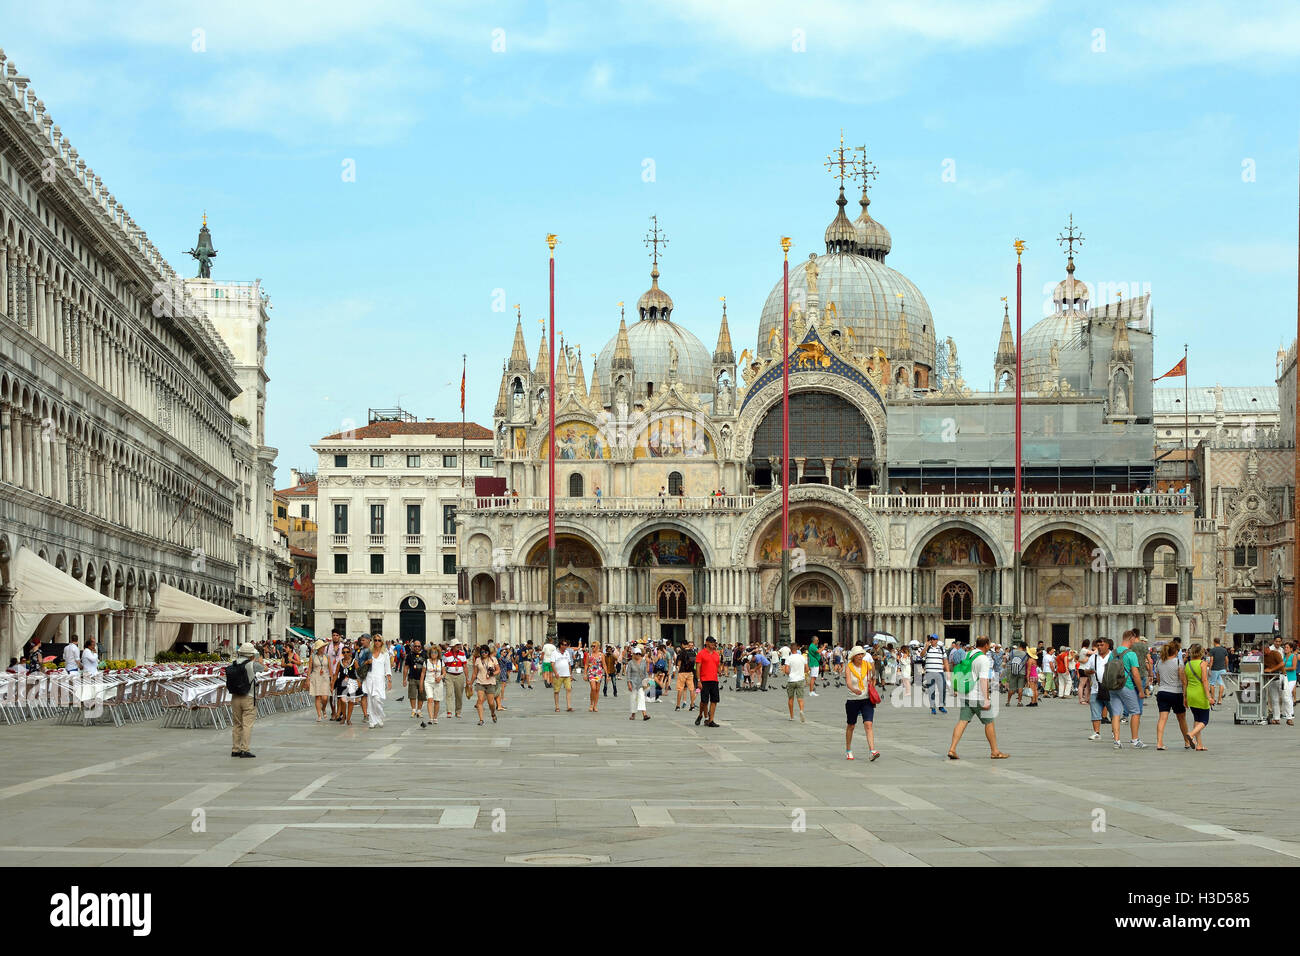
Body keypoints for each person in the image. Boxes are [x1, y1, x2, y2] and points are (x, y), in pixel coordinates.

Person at [948, 636, 1007, 760]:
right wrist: (986, 698)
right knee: (989, 722)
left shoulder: (968, 654)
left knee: (962, 721)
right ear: (986, 645)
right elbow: (984, 680)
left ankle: (952, 749)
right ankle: (995, 751)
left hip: (965, 693)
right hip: (977, 695)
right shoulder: (983, 659)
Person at [1109, 631, 1146, 749]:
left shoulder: (1113, 653)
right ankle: (1135, 740)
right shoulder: (1131, 654)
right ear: (1131, 639)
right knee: (1135, 712)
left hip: (1113, 685)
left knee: (1115, 713)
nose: (1135, 642)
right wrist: (1141, 690)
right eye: (1135, 640)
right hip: (1126, 685)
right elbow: (1135, 674)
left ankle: (1117, 741)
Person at [1153, 642, 1194, 750]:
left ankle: (1159, 743)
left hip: (1162, 692)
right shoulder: (1178, 663)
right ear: (1176, 651)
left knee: (1162, 718)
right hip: (1176, 693)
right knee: (1181, 719)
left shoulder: (1158, 662)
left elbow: (1158, 679)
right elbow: (1183, 680)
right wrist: (1185, 696)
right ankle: (1187, 742)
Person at [229, 642, 265, 758]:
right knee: (247, 724)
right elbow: (262, 668)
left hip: (235, 696)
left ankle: (235, 749)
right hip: (248, 696)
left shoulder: (233, 664)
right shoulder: (252, 665)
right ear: (251, 654)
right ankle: (245, 749)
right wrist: (257, 654)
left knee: (237, 724)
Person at [844, 646, 879, 761]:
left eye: (861, 654)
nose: (860, 656)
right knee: (851, 725)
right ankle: (848, 750)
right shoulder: (848, 667)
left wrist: (873, 679)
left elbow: (873, 676)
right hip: (853, 699)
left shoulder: (867, 665)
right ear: (853, 656)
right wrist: (854, 690)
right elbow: (848, 683)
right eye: (858, 654)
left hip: (866, 698)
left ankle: (872, 751)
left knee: (868, 724)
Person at [1183, 644, 1211, 751]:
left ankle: (1199, 745)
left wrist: (1184, 698)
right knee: (1204, 720)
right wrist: (1209, 697)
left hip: (1191, 694)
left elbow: (1185, 682)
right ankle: (1191, 734)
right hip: (1200, 694)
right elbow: (1204, 680)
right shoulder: (1203, 663)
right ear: (1201, 652)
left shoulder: (1188, 664)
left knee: (1197, 719)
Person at [363, 635, 393, 729]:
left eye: (379, 640)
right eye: (375, 640)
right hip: (369, 677)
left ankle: (380, 716)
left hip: (379, 679)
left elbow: (387, 668)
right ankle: (372, 720)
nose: (377, 642)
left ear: (382, 642)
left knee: (377, 699)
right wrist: (367, 662)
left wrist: (389, 680)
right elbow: (361, 663)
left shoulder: (385, 654)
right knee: (370, 700)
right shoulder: (369, 652)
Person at [1085, 637, 1112, 740]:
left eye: (1102, 645)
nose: (1100, 647)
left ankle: (1115, 732)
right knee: (1095, 710)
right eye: (1098, 645)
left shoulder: (1112, 656)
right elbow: (1086, 670)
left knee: (1113, 711)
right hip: (1096, 688)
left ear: (1107, 645)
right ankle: (1096, 732)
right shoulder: (1093, 657)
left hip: (1110, 688)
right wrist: (1089, 672)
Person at [694, 636, 722, 727]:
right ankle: (701, 715)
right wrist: (698, 680)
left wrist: (719, 671)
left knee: (714, 700)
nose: (713, 644)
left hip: (714, 680)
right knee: (704, 701)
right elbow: (698, 668)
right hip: (704, 680)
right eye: (711, 642)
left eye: (714, 642)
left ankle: (711, 720)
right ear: (706, 643)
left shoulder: (716, 654)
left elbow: (717, 666)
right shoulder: (701, 653)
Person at [471, 645, 499, 725]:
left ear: (488, 652)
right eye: (482, 652)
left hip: (490, 683)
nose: (484, 654)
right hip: (480, 682)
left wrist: (492, 673)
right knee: (480, 700)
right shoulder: (478, 660)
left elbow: (498, 670)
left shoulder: (493, 660)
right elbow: (475, 673)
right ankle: (481, 720)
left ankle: (493, 713)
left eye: (486, 652)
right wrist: (470, 683)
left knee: (491, 703)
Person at [335, 645, 361, 725]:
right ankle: (344, 717)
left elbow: (358, 672)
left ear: (350, 653)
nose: (345, 654)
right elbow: (336, 674)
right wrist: (332, 683)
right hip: (342, 683)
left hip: (352, 683)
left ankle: (348, 719)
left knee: (350, 701)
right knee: (343, 701)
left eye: (347, 652)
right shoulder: (340, 662)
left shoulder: (354, 661)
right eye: (343, 652)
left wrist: (359, 681)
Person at [1263, 639, 1287, 725]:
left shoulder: (1275, 653)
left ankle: (1289, 717)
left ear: (1267, 648)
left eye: (1263, 650)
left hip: (1280, 677)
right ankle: (1276, 718)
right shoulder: (1263, 657)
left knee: (1285, 697)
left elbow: (1281, 664)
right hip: (1271, 679)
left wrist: (1271, 670)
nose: (1263, 652)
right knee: (1274, 699)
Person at [307, 639, 332, 722]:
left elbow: (330, 668)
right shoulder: (312, 656)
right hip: (315, 676)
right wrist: (308, 679)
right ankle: (319, 715)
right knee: (317, 696)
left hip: (325, 676)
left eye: (324, 647)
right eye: (321, 647)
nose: (323, 648)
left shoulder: (327, 656)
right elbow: (310, 668)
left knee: (325, 697)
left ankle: (323, 708)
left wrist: (331, 678)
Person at [923, 634, 948, 715]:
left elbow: (945, 660)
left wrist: (948, 672)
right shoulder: (928, 648)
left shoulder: (941, 648)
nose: (932, 641)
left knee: (942, 689)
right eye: (931, 639)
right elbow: (921, 655)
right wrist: (926, 647)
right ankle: (933, 707)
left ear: (937, 640)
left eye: (934, 639)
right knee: (931, 690)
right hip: (930, 672)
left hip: (939, 672)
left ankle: (941, 706)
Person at [444, 639, 468, 718]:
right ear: (453, 646)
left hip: (459, 675)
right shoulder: (446, 654)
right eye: (457, 645)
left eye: (458, 645)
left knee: (459, 694)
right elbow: (443, 666)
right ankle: (449, 711)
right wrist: (443, 675)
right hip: (449, 675)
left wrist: (467, 678)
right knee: (449, 693)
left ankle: (458, 711)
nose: (458, 646)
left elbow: (465, 666)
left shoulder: (462, 654)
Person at [784, 642, 807, 722]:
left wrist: (790, 674)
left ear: (791, 649)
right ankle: (801, 710)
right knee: (800, 698)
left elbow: (786, 670)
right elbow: (807, 669)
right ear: (797, 648)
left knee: (791, 698)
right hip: (800, 679)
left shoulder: (789, 658)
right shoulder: (802, 657)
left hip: (791, 680)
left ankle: (792, 716)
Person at [626, 645, 651, 720]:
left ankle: (644, 714)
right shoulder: (630, 663)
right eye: (636, 654)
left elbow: (645, 673)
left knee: (641, 697)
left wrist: (646, 682)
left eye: (639, 654)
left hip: (641, 682)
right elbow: (628, 674)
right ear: (633, 654)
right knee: (633, 698)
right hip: (633, 682)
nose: (637, 655)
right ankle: (633, 714)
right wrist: (629, 683)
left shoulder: (643, 662)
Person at [422, 645, 444, 726]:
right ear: (429, 653)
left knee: (437, 701)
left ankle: (435, 717)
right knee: (430, 699)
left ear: (438, 653)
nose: (433, 654)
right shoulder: (426, 662)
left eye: (435, 652)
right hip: (428, 682)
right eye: (432, 652)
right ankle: (430, 718)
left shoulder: (441, 662)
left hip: (438, 683)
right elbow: (423, 673)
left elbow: (444, 672)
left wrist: (440, 677)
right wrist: (421, 684)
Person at [552, 639, 574, 713]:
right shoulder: (554, 653)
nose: (565, 646)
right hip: (558, 675)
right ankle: (557, 706)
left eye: (566, 645)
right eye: (564, 645)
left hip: (567, 674)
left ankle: (569, 706)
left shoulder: (567, 652)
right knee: (557, 691)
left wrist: (570, 674)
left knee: (568, 689)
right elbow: (552, 664)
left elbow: (569, 664)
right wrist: (555, 673)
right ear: (560, 645)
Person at [1206, 637, 1229, 707]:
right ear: (1219, 642)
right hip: (1222, 669)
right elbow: (1226, 660)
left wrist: (1209, 669)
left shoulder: (1212, 650)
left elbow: (1211, 660)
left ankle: (1213, 698)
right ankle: (1219, 699)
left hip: (1214, 669)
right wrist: (1226, 667)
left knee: (1212, 683)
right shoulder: (1224, 650)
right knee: (1221, 683)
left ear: (1214, 642)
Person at [674, 642, 696, 710]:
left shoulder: (682, 652)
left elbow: (679, 662)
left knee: (680, 689)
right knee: (692, 689)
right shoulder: (693, 653)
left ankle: (678, 706)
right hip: (690, 672)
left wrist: (679, 669)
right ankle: (692, 705)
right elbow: (693, 663)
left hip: (682, 672)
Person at [585, 642, 603, 712]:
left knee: (597, 690)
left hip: (599, 673)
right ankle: (591, 704)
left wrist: (607, 674)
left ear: (598, 646)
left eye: (594, 646)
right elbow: (586, 664)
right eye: (592, 646)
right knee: (593, 688)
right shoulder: (589, 655)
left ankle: (595, 705)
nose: (592, 647)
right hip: (591, 673)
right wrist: (585, 673)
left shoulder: (601, 655)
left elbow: (604, 664)